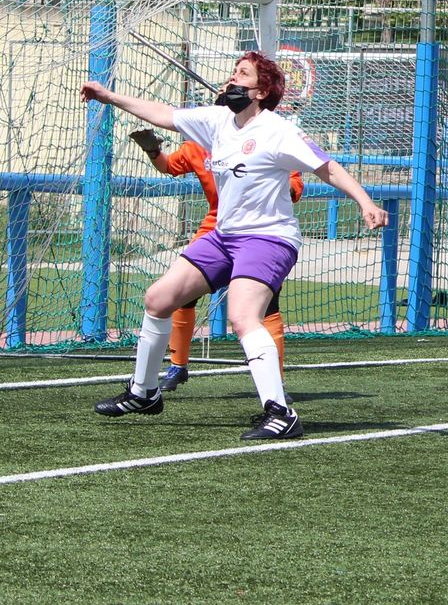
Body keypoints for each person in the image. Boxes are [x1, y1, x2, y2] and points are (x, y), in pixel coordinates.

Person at [82, 51, 387, 440]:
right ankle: (144, 393)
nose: (231, 79)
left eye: (242, 74)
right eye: (233, 72)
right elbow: (162, 113)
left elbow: (327, 167)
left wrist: (365, 202)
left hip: (268, 238)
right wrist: (108, 96)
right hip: (223, 237)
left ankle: (281, 413)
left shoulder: (279, 130)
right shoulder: (217, 121)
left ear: (260, 91)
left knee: (243, 317)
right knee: (158, 299)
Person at [128, 129, 304, 392]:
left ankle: (276, 385)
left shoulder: (269, 137)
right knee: (178, 294)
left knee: (265, 306)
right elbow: (169, 166)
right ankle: (177, 366)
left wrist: (268, 177)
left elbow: (294, 188)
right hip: (215, 229)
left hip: (259, 232)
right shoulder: (197, 145)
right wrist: (153, 150)